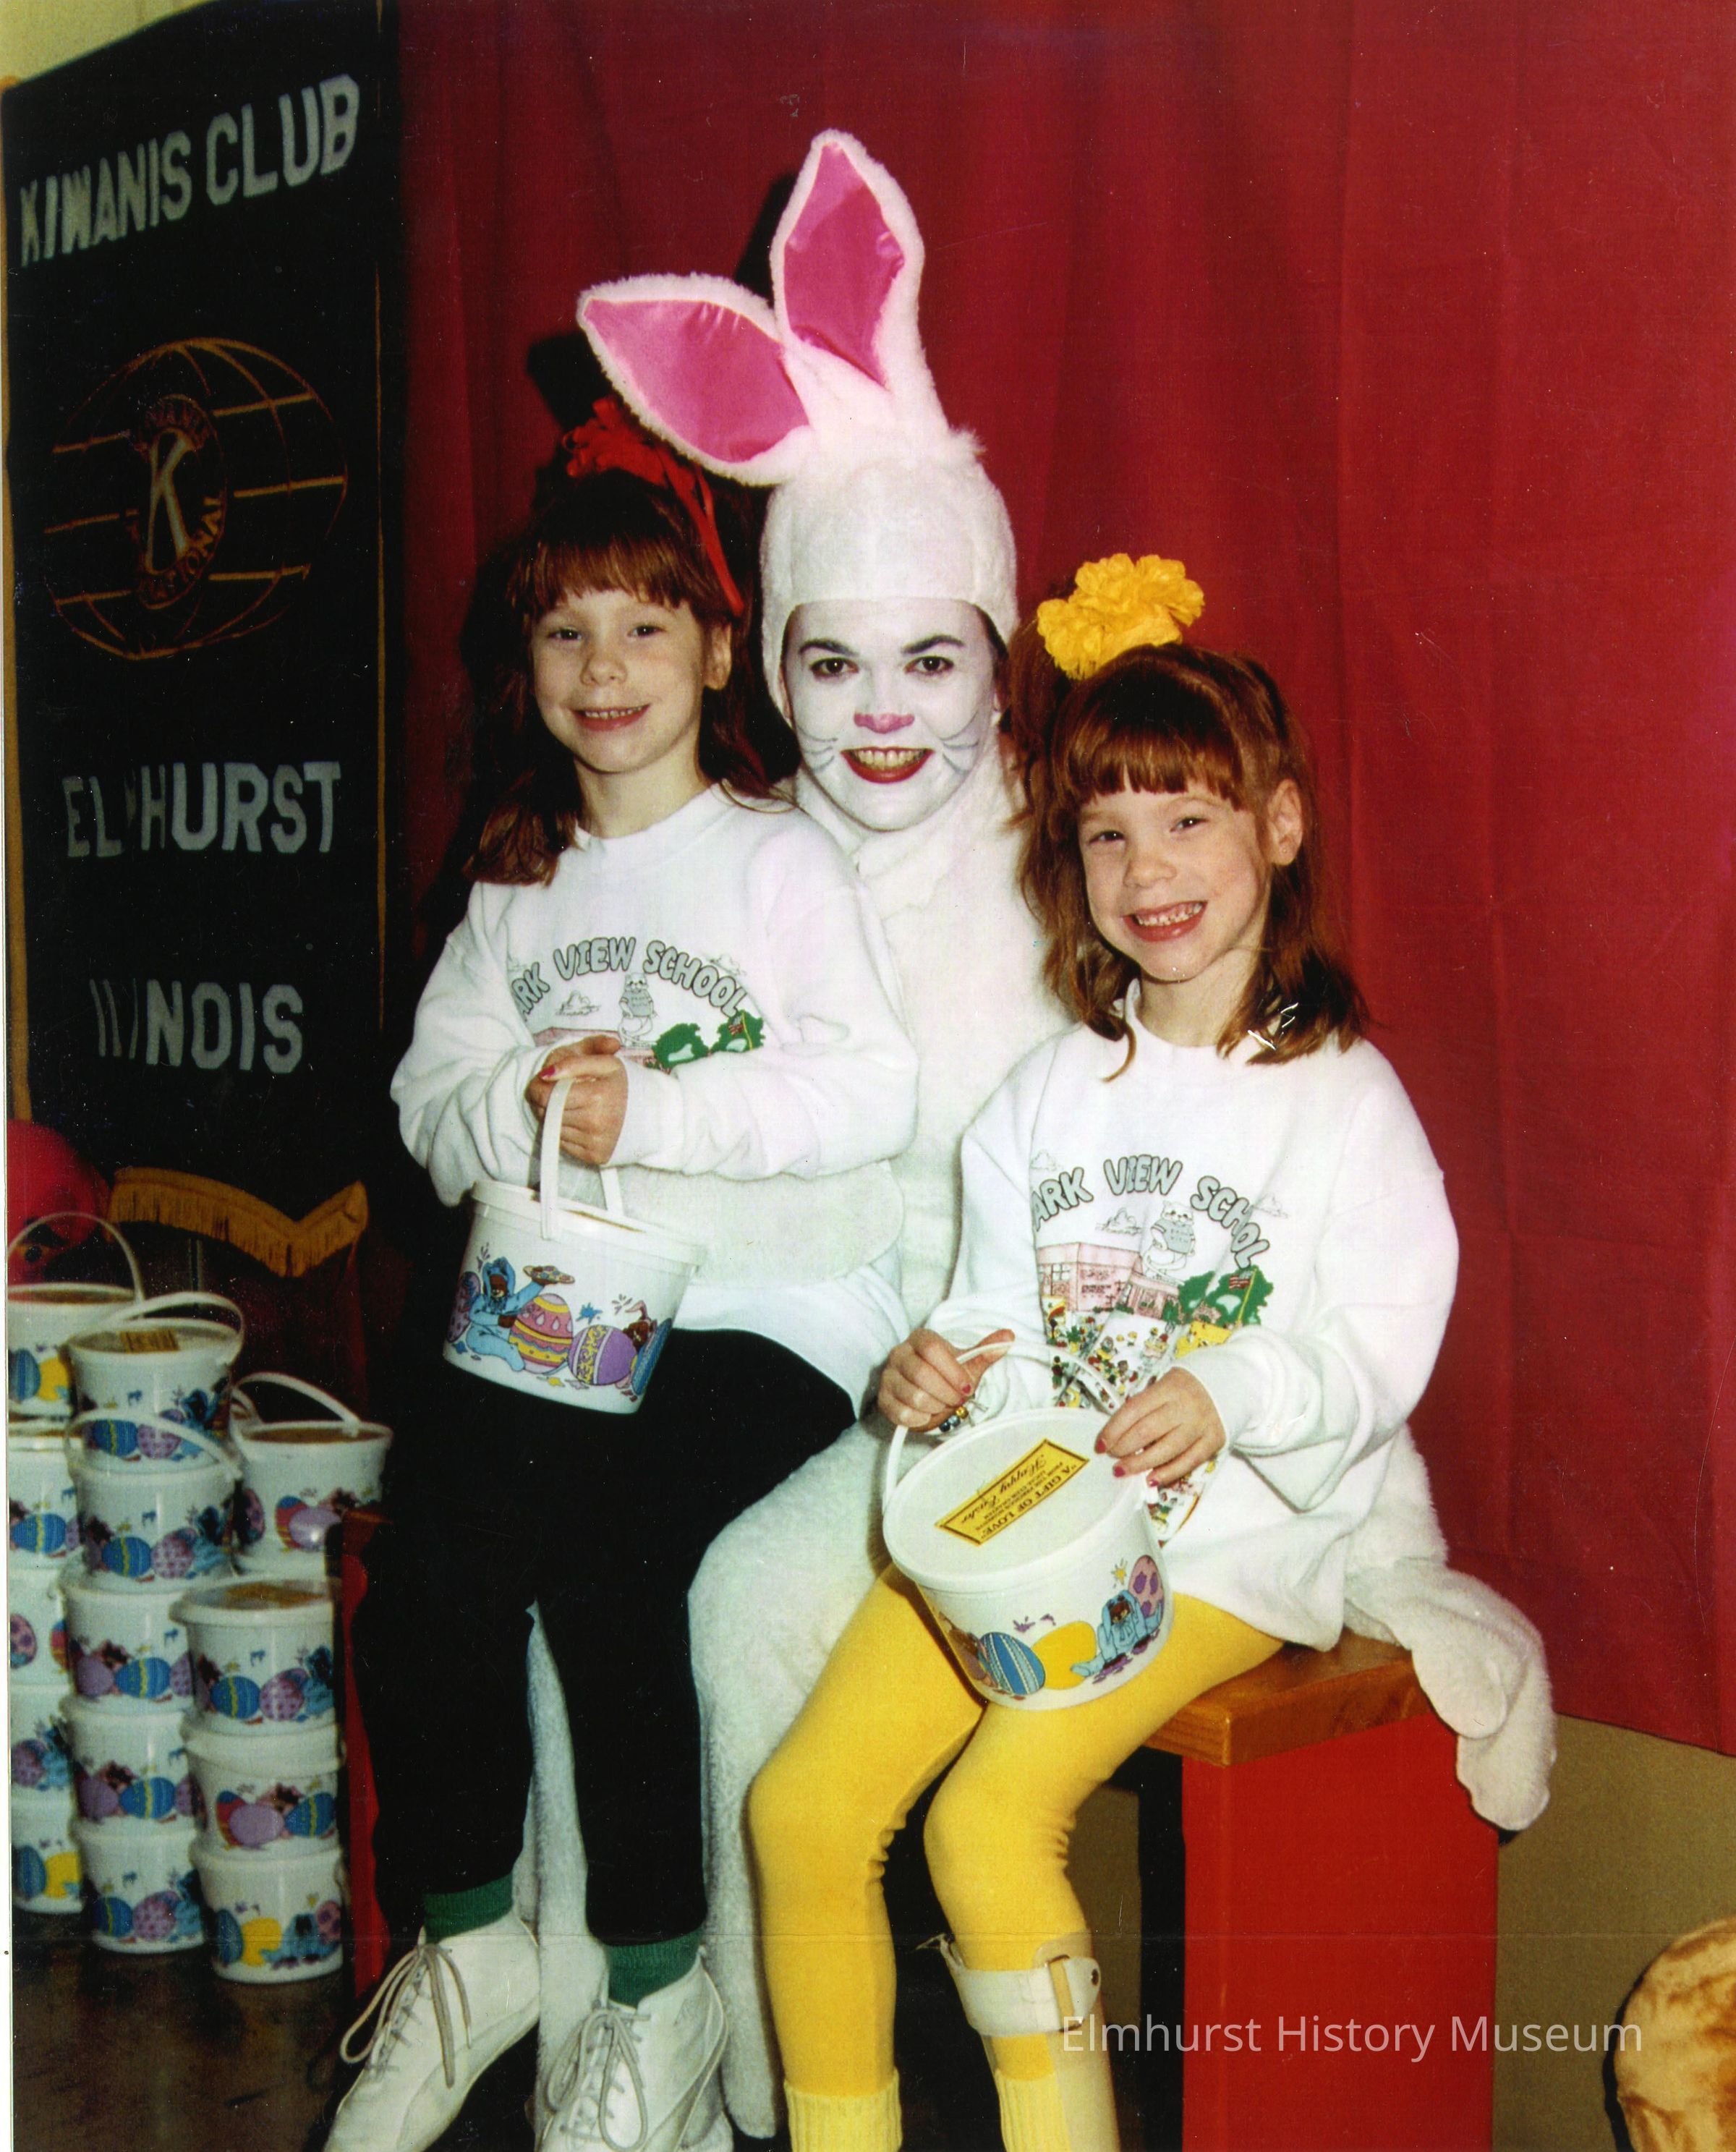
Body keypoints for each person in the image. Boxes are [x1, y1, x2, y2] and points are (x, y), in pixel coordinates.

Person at [746, 568, 1460, 2152]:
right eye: (1107, 835)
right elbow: (1001, 1322)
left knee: (988, 1826)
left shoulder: (1343, 1100)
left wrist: (1232, 1393)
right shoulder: (1046, 1094)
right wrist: (941, 1373)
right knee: (802, 1810)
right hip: (1041, 1524)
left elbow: (1376, 1347)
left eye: (1189, 820)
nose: (1150, 872)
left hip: (1228, 1549)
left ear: (1281, 826)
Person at [332, 401, 917, 2152]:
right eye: (565, 631)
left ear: (718, 652)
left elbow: (869, 1092)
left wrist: (655, 1108)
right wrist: (516, 1100)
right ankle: (467, 1947)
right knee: (430, 1534)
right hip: (572, 1302)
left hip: (767, 1306)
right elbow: (428, 1103)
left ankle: (658, 2000)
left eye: (646, 626)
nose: (604, 670)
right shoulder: (516, 881)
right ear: (523, 665)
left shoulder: (778, 855)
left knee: (605, 1539)